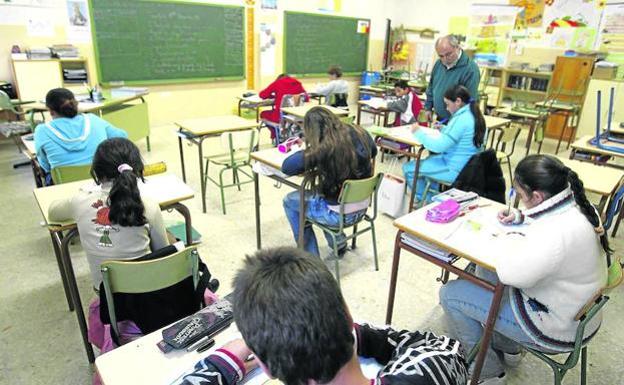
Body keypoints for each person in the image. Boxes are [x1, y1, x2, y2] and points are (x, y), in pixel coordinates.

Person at [173, 247, 469, 385]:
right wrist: (344, 329)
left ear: (268, 368)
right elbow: (448, 349)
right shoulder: (427, 374)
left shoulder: (264, 367)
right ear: (348, 315)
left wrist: (234, 354)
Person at [439, 155, 610, 385]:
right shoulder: (580, 205)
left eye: (520, 195)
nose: (519, 199)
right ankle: (509, 347)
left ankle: (488, 372)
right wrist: (520, 217)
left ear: (537, 196)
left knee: (450, 294)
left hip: (556, 327)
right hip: (576, 312)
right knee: (485, 272)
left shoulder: (555, 235)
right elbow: (546, 220)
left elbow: (510, 274)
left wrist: (504, 241)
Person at [48, 137, 169, 288]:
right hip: (147, 291)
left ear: (96, 170)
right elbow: (164, 254)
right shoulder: (148, 205)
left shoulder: (80, 201)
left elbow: (52, 212)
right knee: (168, 236)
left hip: (106, 294)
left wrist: (83, 194)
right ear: (136, 169)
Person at [281, 106, 377, 258]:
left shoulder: (323, 148)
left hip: (337, 215)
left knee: (290, 201)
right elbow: (373, 151)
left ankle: (311, 259)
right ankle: (339, 244)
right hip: (363, 205)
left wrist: (309, 149)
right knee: (321, 195)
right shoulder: (360, 132)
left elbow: (287, 167)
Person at [403, 85, 486, 199]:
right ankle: (432, 197)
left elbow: (438, 147)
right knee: (428, 162)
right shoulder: (473, 115)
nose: (447, 109)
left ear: (458, 101)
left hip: (455, 169)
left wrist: (418, 132)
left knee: (409, 169)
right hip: (468, 167)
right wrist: (445, 129)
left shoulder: (461, 119)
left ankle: (427, 202)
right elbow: (462, 136)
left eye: (447, 104)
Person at [34, 88, 127, 183]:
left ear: (50, 111)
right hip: (99, 180)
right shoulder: (93, 120)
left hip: (63, 184)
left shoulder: (41, 131)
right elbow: (122, 136)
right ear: (75, 105)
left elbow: (44, 164)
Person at [424, 35, 480, 122]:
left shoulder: (470, 69)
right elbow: (431, 87)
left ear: (457, 47)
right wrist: (428, 108)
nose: (445, 59)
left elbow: (469, 100)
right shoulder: (439, 64)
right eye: (441, 56)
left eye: (448, 54)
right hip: (440, 119)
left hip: (457, 121)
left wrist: (456, 123)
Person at [259, 73, 308, 140]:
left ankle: (276, 136)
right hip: (295, 117)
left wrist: (274, 96)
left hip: (280, 117)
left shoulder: (277, 83)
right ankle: (280, 136)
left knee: (263, 114)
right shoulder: (297, 83)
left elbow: (262, 95)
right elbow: (306, 98)